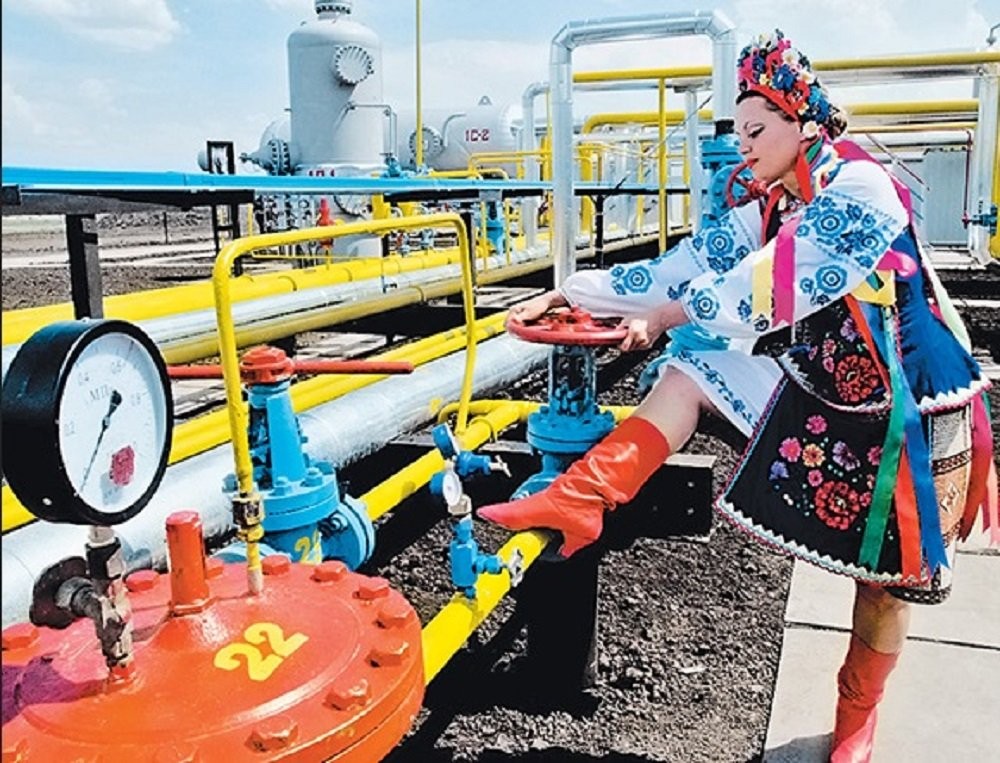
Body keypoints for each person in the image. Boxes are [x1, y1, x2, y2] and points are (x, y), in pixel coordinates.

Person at [477, 30, 996, 763]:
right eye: (740, 133)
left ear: (802, 123)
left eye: (756, 131)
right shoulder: (772, 204)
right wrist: (573, 292)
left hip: (908, 398)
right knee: (693, 368)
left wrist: (667, 315)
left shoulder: (860, 186)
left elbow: (775, 282)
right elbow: (684, 265)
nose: (744, 147)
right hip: (827, 381)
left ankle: (857, 719)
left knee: (887, 584)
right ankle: (582, 497)